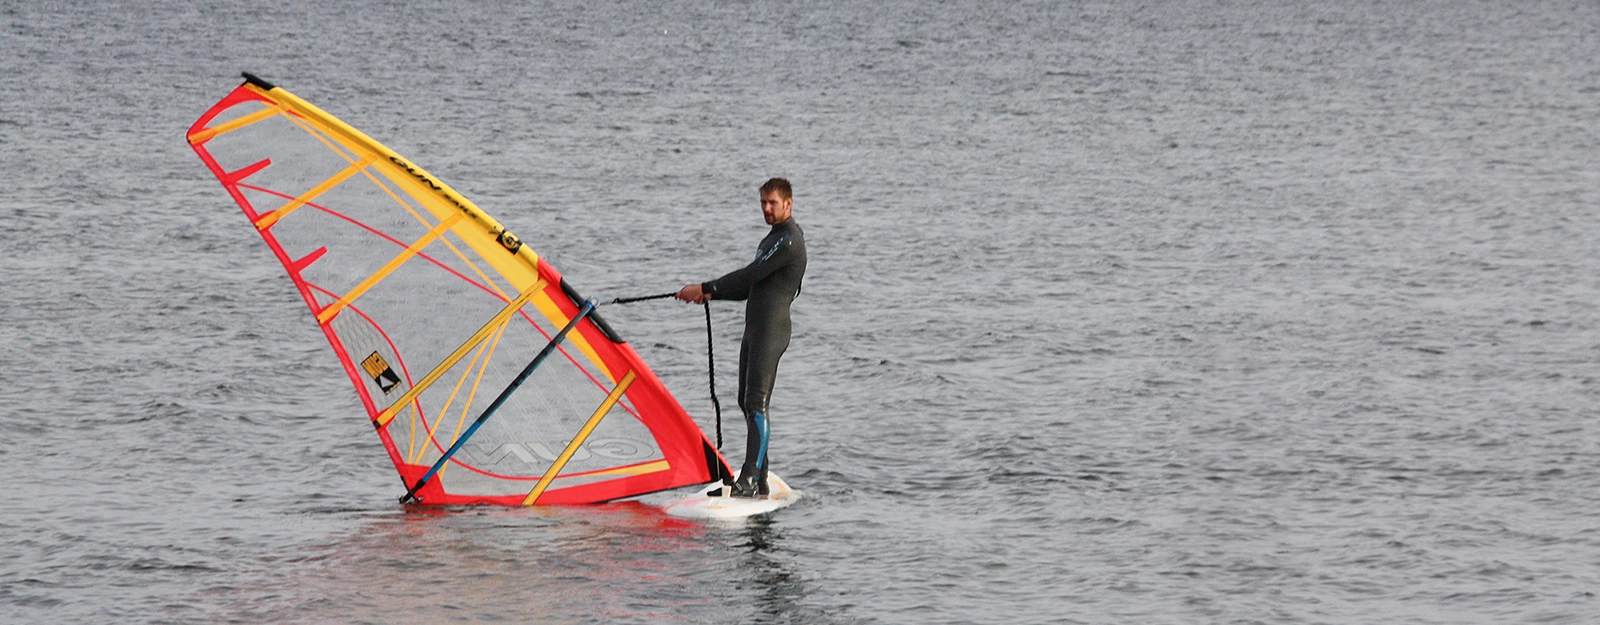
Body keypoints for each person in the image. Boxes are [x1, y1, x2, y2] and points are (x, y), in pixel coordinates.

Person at [676, 178, 807, 498]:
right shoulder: (771, 239)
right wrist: (710, 297)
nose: (766, 208)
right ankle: (759, 477)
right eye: (762, 202)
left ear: (788, 204)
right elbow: (753, 288)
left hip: (771, 330)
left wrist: (706, 286)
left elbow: (750, 274)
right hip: (755, 329)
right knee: (744, 402)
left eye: (772, 203)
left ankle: (748, 479)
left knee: (756, 402)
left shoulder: (788, 240)